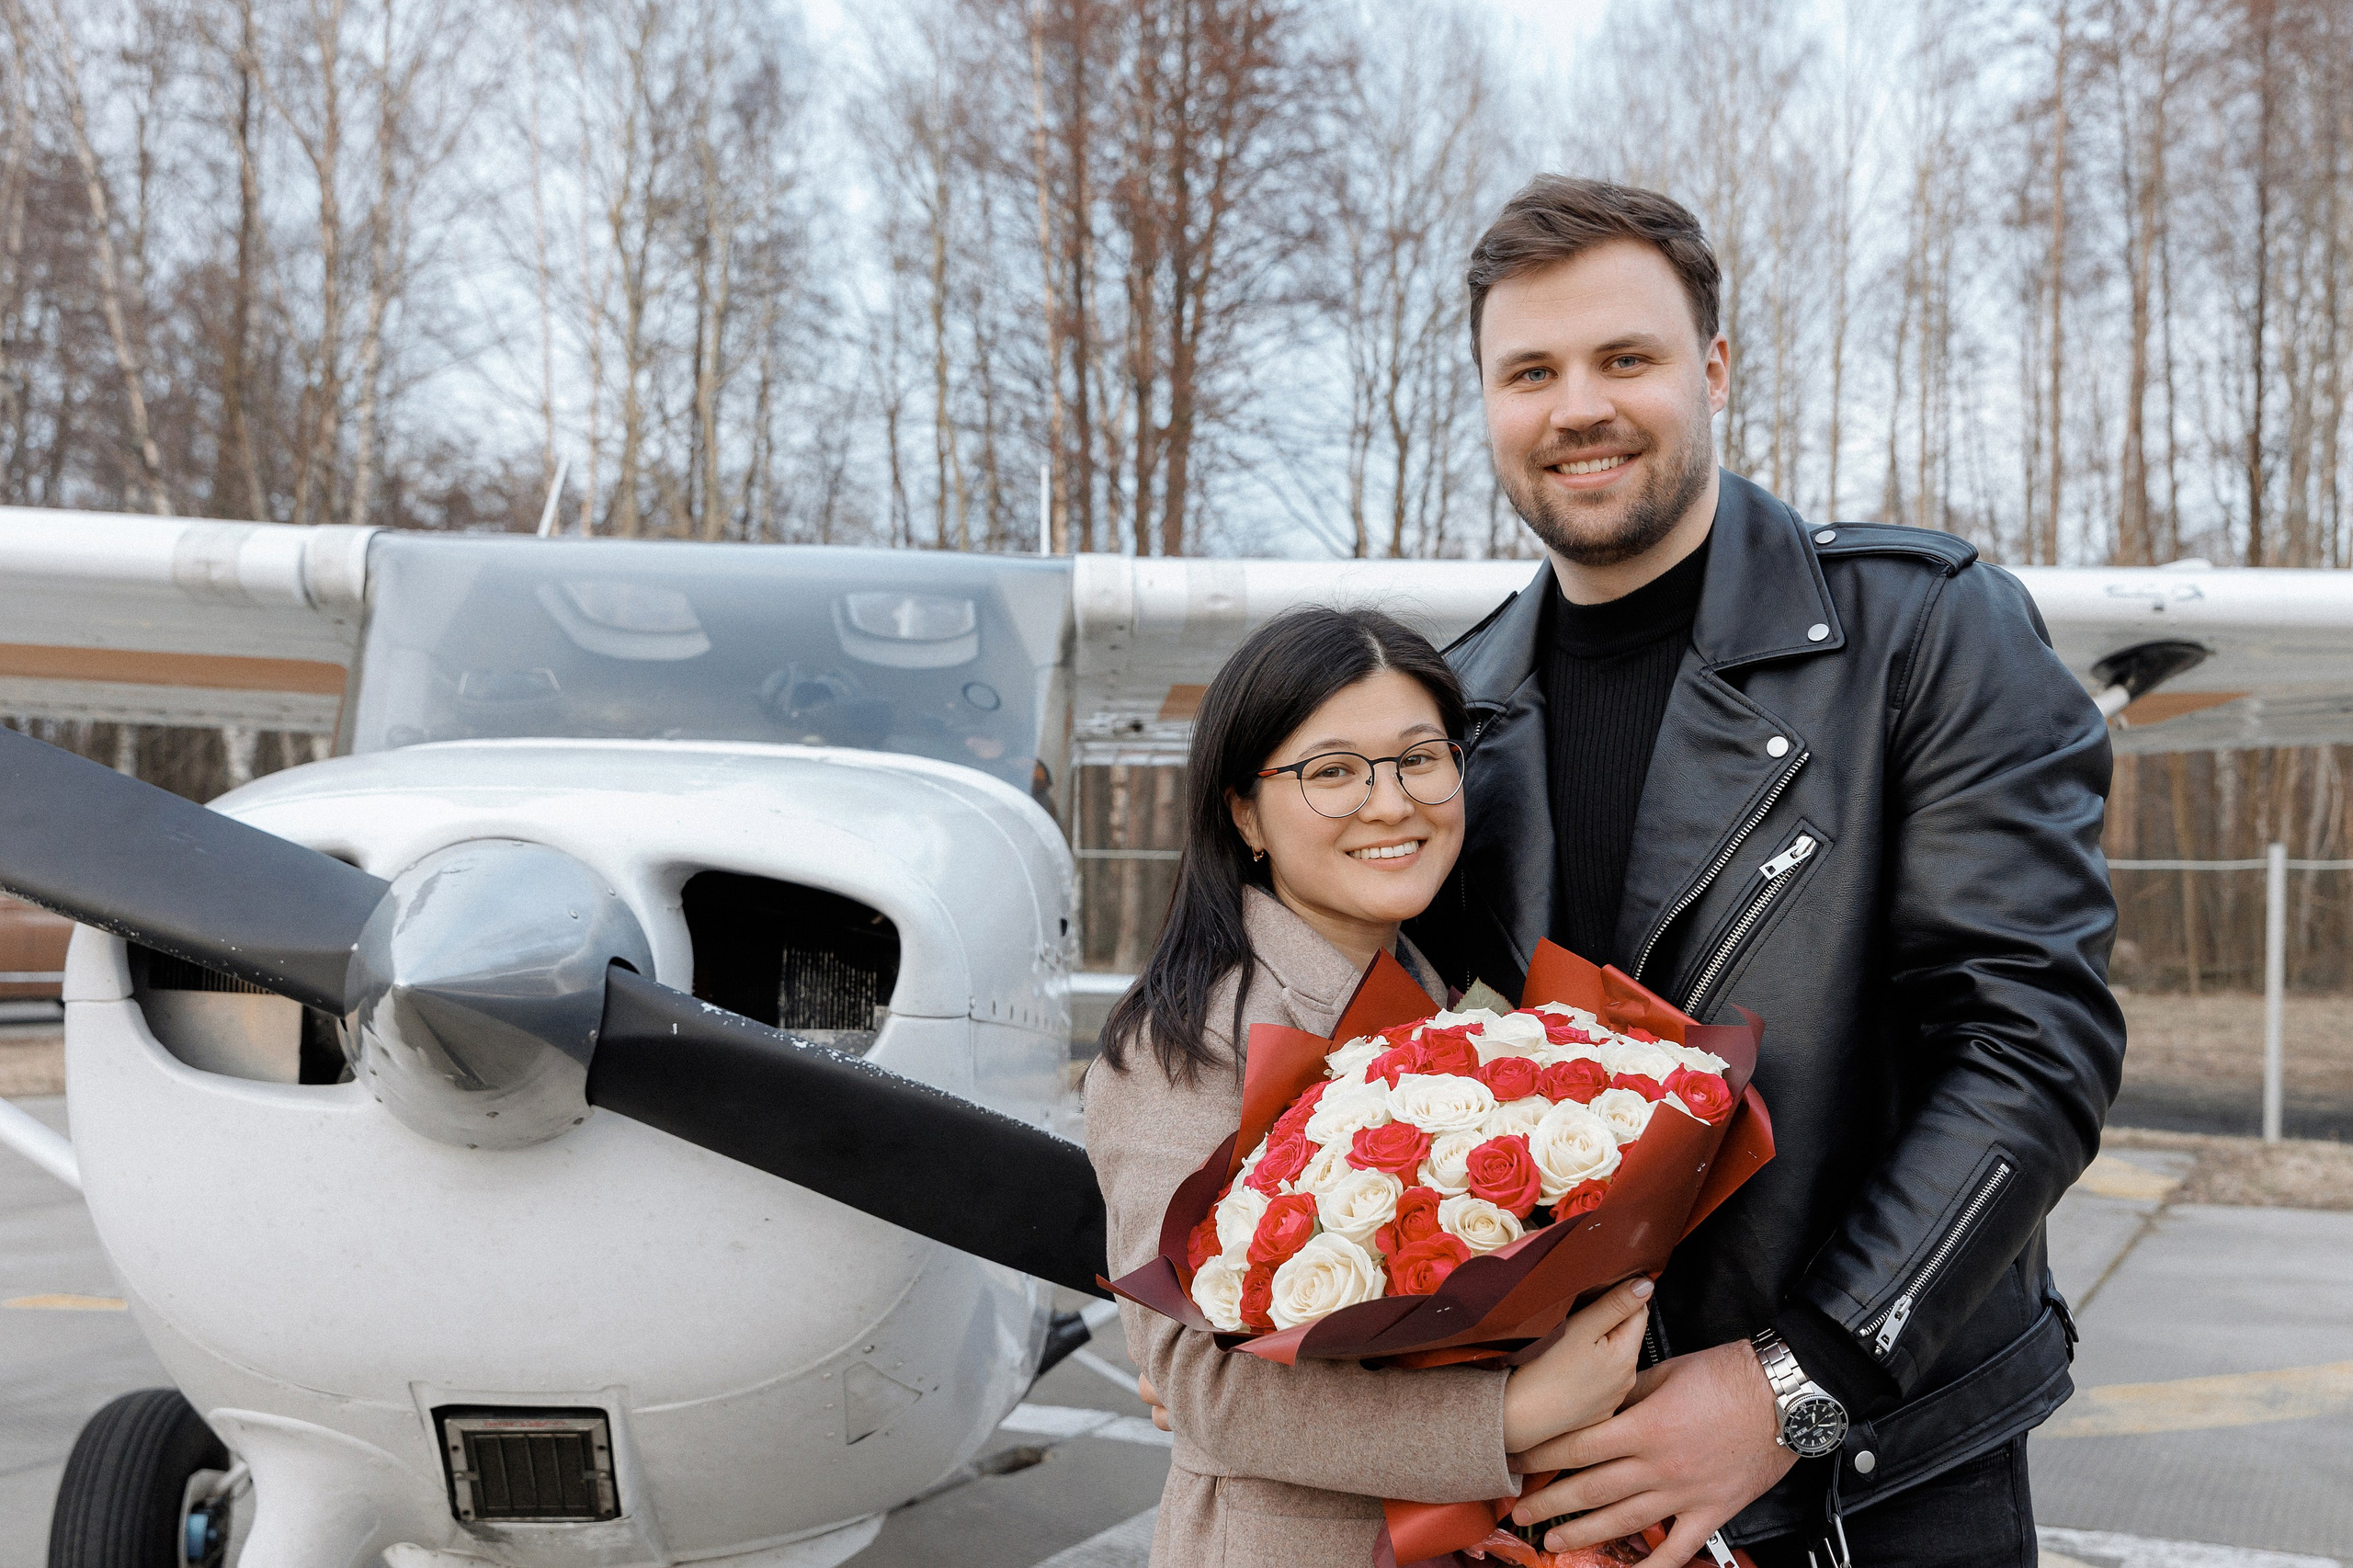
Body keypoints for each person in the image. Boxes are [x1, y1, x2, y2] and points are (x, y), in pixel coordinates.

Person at [1399, 176, 2126, 1566]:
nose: (1578, 407)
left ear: (1715, 369)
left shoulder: (1925, 629)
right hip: (1560, 1493)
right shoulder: (1453, 713)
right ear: (1487, 399)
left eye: (1626, 358)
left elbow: (2034, 1044)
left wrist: (1797, 1380)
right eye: (1530, 372)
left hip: (1880, 1484)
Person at [1085, 606, 1658, 1568]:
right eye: (1332, 771)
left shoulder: (1456, 1008)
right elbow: (1194, 1380)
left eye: (1419, 759)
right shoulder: (1188, 1042)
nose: (1391, 804)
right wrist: (1507, 1416)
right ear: (1243, 812)